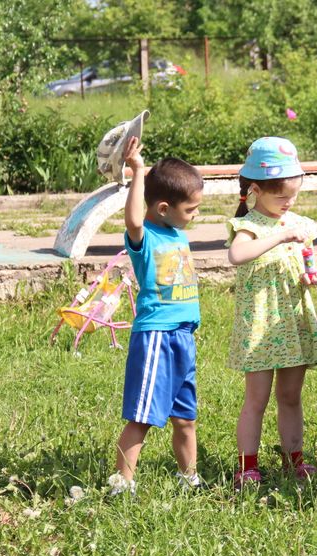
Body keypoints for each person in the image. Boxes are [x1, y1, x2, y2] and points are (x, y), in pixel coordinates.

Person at [226, 137, 317, 488]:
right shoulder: (249, 226)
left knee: (290, 396)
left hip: (291, 322)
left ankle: (293, 459)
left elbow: (306, 259)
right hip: (261, 325)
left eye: (294, 196)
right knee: (256, 399)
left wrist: (309, 273)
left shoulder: (299, 223)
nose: (289, 203)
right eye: (281, 197)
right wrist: (280, 237)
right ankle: (246, 465)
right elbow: (237, 256)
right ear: (256, 190)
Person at [110, 136, 205, 495]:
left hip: (182, 336)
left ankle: (189, 478)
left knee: (186, 418)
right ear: (163, 208)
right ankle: (122, 484)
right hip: (157, 337)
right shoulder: (145, 235)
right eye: (191, 210)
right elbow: (135, 217)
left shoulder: (176, 232)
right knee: (142, 417)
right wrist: (138, 171)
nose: (195, 216)